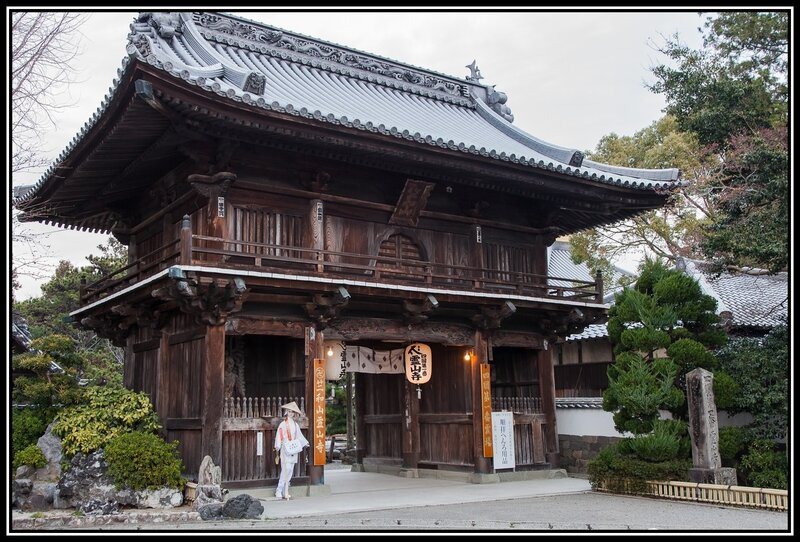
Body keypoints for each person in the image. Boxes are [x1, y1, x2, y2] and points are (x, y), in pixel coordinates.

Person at [274, 401, 309, 500]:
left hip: (293, 449)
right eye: (289, 411)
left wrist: (305, 443)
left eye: (292, 412)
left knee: (290, 470)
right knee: (286, 470)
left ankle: (286, 491)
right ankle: (279, 490)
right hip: (285, 448)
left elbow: (299, 436)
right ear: (286, 412)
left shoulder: (295, 424)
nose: (291, 413)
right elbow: (279, 436)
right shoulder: (282, 424)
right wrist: (278, 446)